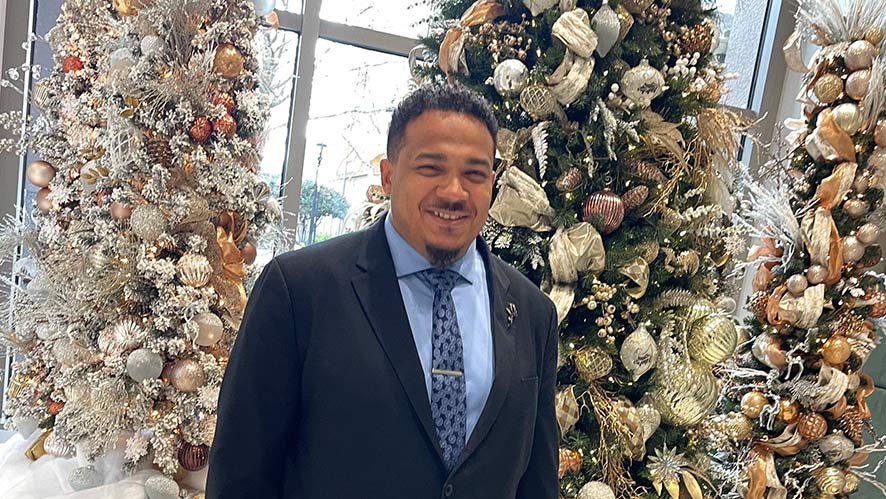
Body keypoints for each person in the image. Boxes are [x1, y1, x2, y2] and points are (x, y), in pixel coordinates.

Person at [206, 84, 558, 499]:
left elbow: (536, 484)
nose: (453, 192)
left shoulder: (532, 313)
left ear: (492, 184)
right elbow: (242, 476)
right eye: (431, 167)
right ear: (389, 176)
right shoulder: (300, 291)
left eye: (474, 174)